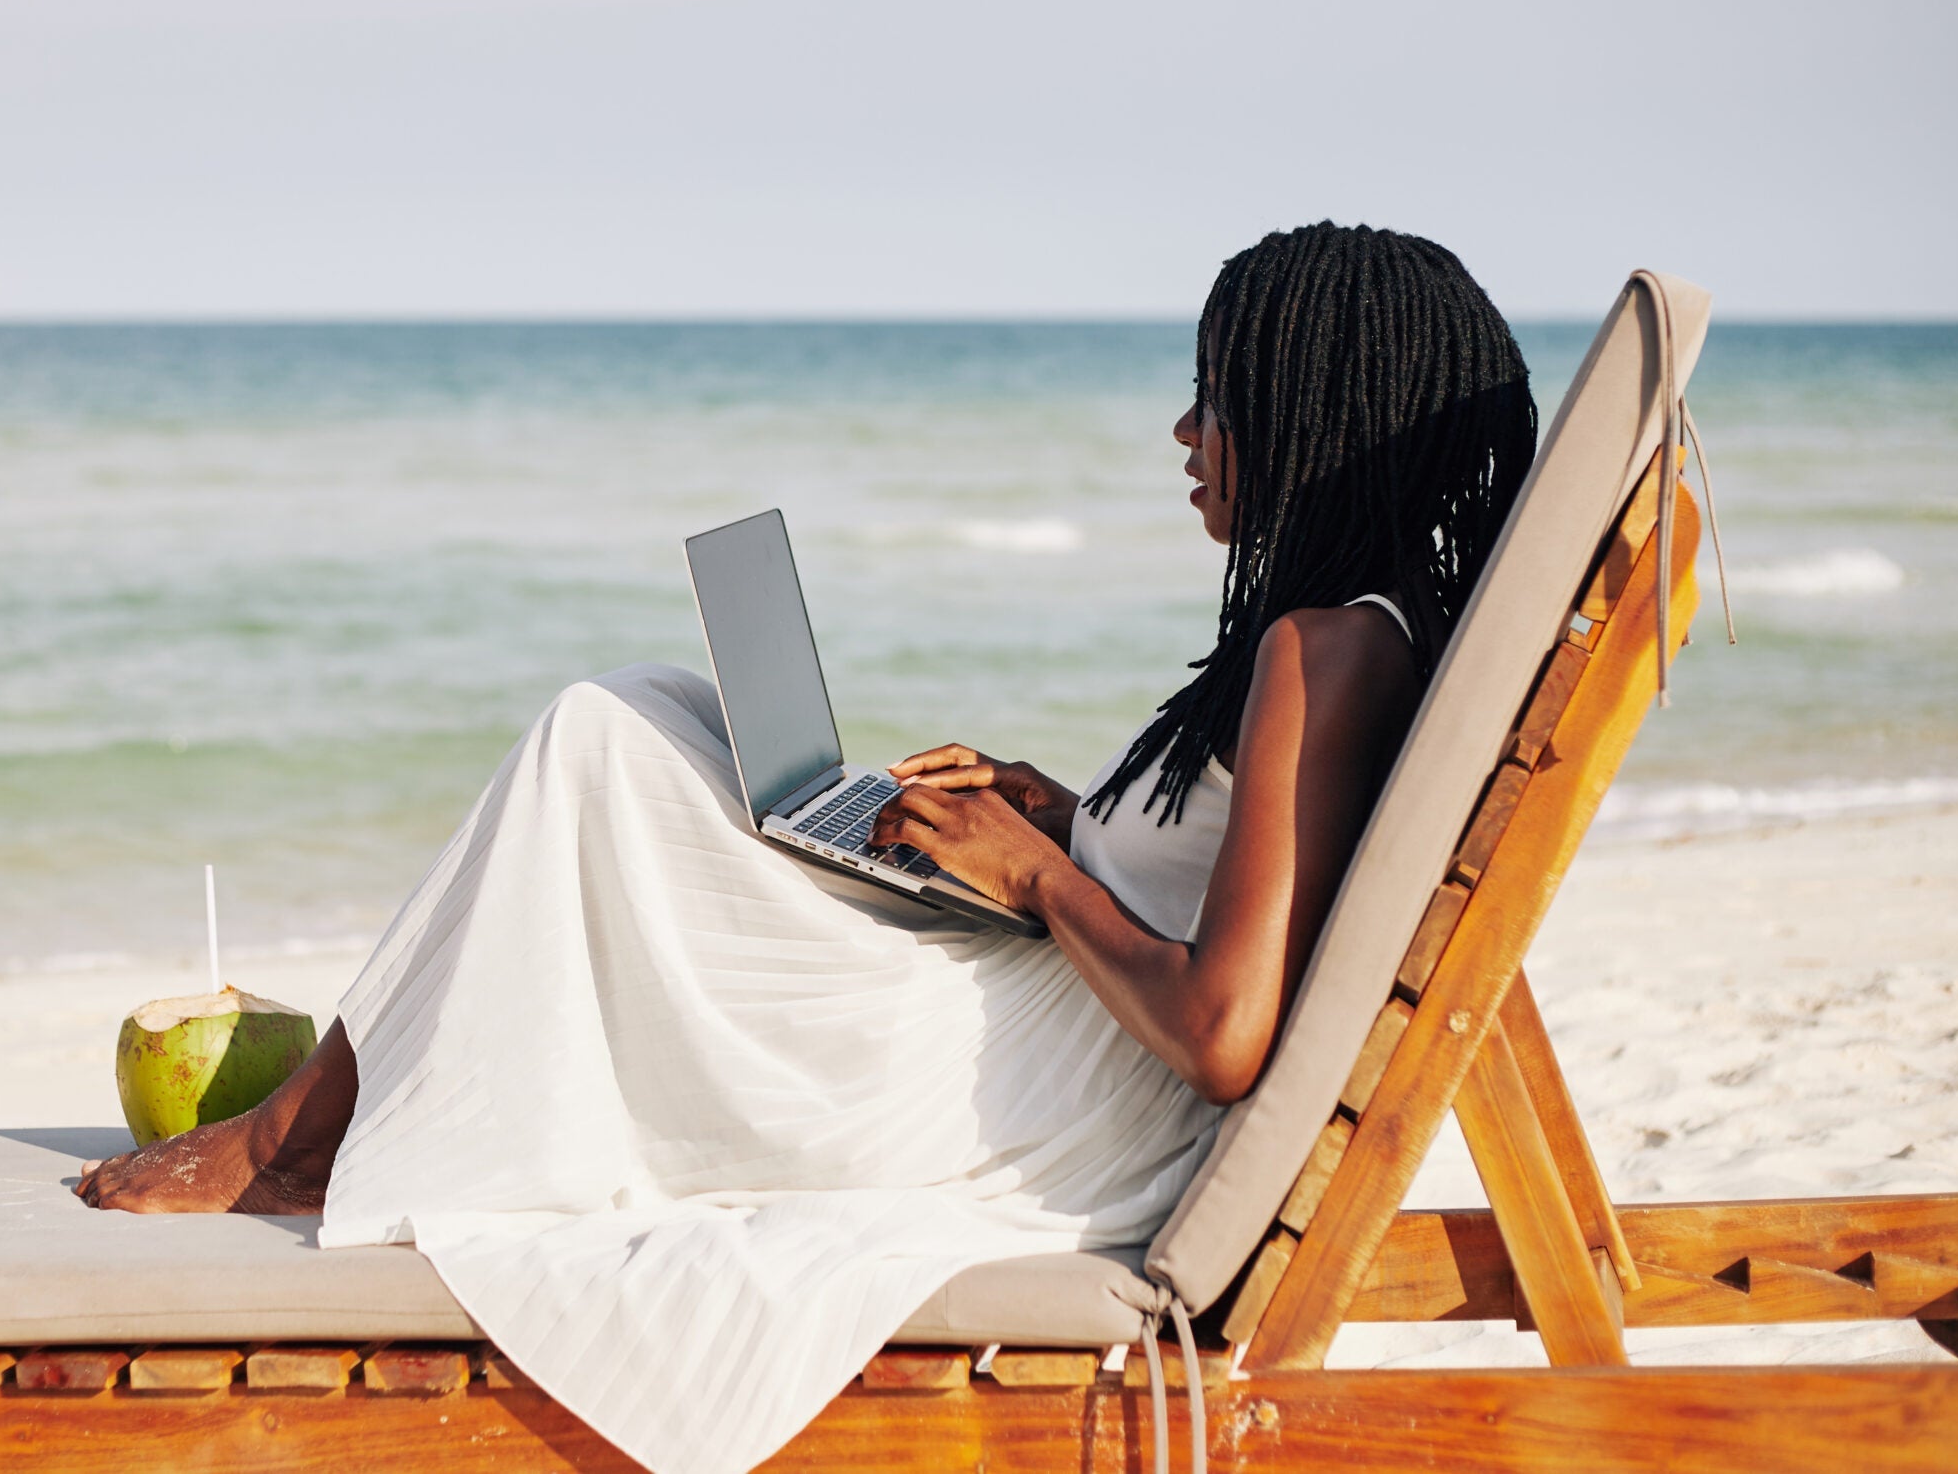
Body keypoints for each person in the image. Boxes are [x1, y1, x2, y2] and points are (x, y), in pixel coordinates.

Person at [76, 221, 1537, 1474]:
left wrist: (1033, 874)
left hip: (1053, 1100)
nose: (1184, 433)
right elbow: (1226, 881)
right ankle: (323, 1126)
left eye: (1218, 397)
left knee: (599, 739)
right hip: (1061, 1025)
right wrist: (1061, 816)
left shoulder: (1316, 653)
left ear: (1316, 418)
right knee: (650, 709)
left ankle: (291, 1140)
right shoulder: (1363, 639)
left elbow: (1224, 1034)